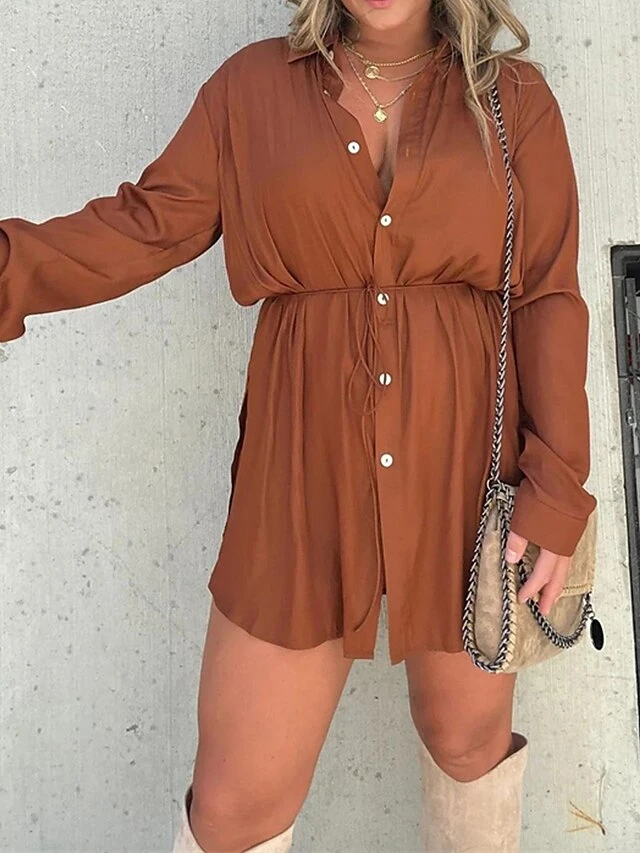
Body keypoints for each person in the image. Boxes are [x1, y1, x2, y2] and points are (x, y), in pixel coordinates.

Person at [0, 0, 598, 850]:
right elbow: (145, 227)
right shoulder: (250, 90)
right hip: (301, 465)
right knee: (235, 804)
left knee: (465, 741)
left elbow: (546, 294)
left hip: (464, 464)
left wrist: (557, 486)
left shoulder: (514, 99)